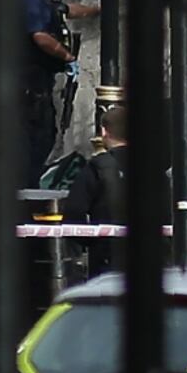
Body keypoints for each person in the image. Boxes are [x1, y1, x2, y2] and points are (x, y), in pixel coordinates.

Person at [20, 0, 100, 188]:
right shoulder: (30, 1)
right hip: (29, 90)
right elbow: (40, 36)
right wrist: (67, 57)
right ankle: (27, 193)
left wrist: (96, 10)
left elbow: (68, 10)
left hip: (38, 87)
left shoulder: (42, 1)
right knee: (37, 142)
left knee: (47, 136)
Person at [62, 106, 127, 278]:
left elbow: (73, 213)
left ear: (104, 131)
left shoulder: (97, 167)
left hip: (107, 257)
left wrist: (92, 241)